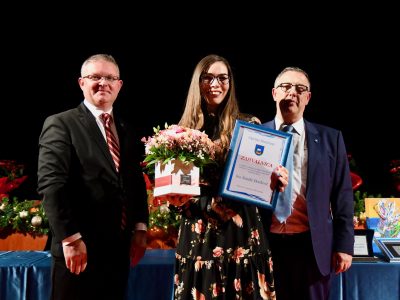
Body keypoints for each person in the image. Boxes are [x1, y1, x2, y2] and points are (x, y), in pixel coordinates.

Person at [161, 54, 288, 300]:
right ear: (197, 83)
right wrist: (181, 198)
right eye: (207, 78)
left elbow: (261, 184)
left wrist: (273, 182)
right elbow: (177, 197)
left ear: (230, 82)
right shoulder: (179, 133)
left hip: (243, 237)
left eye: (222, 78)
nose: (215, 84)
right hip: (199, 240)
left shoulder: (250, 125)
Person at [37, 54, 149, 300]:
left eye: (110, 78)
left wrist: (140, 227)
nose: (103, 83)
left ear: (119, 85)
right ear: (81, 83)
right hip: (79, 251)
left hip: (118, 253)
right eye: (95, 77)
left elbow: (135, 183)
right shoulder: (61, 124)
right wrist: (70, 238)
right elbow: (51, 185)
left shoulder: (127, 130)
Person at [261, 66, 354, 300]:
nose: (292, 92)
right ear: (274, 93)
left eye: (300, 89)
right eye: (285, 87)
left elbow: (343, 197)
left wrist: (344, 246)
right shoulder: (255, 136)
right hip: (266, 245)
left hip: (312, 248)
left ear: (308, 98)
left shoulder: (331, 139)